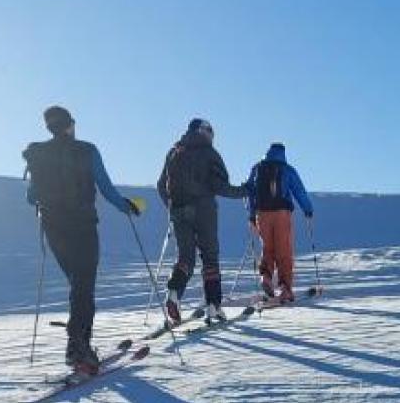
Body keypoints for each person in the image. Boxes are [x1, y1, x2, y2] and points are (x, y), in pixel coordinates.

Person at [22, 106, 140, 374]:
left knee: (78, 285)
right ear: (69, 125)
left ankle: (80, 344)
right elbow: (105, 187)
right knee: (84, 285)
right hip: (82, 225)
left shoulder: (39, 154)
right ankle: (78, 348)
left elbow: (31, 197)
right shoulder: (87, 150)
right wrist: (125, 206)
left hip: (53, 228)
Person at [157, 118, 245, 324]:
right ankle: (214, 306)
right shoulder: (209, 152)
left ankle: (173, 293)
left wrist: (172, 207)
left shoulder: (174, 152)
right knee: (210, 257)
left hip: (178, 211)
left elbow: (161, 185)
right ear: (204, 131)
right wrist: (244, 191)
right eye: (211, 132)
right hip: (204, 210)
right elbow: (220, 186)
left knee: (185, 257)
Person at [244, 143, 314, 303]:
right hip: (282, 213)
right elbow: (299, 190)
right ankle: (285, 288)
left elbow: (250, 192)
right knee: (284, 249)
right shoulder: (287, 169)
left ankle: (266, 277)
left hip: (262, 213)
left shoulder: (257, 168)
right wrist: (308, 210)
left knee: (267, 248)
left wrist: (252, 215)